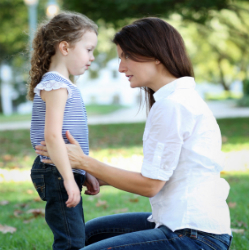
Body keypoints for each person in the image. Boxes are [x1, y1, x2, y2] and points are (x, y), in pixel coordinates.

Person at [36, 17, 232, 250]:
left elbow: (150, 185)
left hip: (195, 236)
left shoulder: (173, 105)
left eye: (126, 57)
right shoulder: (176, 99)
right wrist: (96, 176)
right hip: (180, 225)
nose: (121, 68)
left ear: (156, 55)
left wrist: (84, 162)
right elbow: (165, 175)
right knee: (87, 234)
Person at [28, 12, 100, 250]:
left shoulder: (63, 84)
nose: (92, 57)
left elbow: (72, 139)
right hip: (56, 171)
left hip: (62, 169)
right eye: (88, 49)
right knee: (71, 242)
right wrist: (69, 178)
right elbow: (52, 135)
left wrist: (85, 169)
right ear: (65, 48)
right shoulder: (56, 85)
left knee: (75, 236)